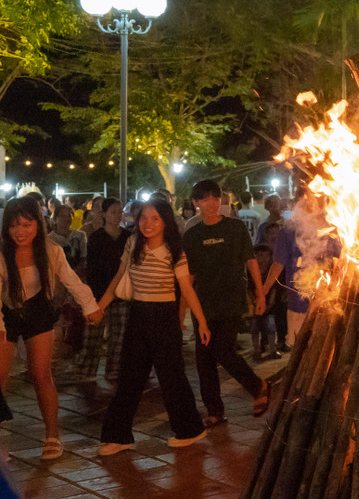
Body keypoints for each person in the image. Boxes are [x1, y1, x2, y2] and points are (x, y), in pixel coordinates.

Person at [94, 199, 210, 455]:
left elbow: (187, 289)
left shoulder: (174, 251)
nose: (148, 224)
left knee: (171, 377)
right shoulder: (133, 243)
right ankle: (118, 436)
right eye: (143, 218)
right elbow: (119, 277)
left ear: (165, 221)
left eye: (155, 218)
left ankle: (190, 429)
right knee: (129, 377)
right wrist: (100, 306)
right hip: (138, 314)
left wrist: (201, 321)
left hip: (164, 316)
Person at [0, 198, 103, 460]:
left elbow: (72, 280)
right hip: (5, 313)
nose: (20, 231)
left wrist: (90, 306)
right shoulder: (1, 253)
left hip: (38, 312)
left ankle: (52, 435)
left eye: (26, 224)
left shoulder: (51, 250)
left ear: (38, 224)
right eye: (13, 225)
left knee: (41, 374)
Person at [183, 180, 269, 428]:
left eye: (214, 198)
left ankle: (258, 386)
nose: (210, 204)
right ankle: (215, 410)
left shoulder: (235, 228)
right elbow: (188, 277)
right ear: (196, 203)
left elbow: (251, 261)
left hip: (231, 299)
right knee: (204, 357)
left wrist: (260, 294)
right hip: (204, 303)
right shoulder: (192, 235)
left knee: (223, 350)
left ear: (221, 200)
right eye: (204, 199)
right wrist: (183, 310)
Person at [260, 190, 341, 351]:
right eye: (305, 202)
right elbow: (278, 264)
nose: (310, 205)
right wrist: (264, 290)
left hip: (327, 299)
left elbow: (341, 261)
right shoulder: (288, 232)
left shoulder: (331, 229)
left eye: (314, 201)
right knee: (300, 345)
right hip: (298, 300)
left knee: (325, 345)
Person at [70, 197, 130, 383]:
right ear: (104, 214)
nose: (117, 215)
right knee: (93, 335)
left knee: (119, 337)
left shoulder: (127, 236)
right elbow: (92, 268)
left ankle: (114, 370)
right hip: (99, 292)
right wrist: (95, 296)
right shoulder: (96, 238)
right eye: (113, 212)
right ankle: (86, 370)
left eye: (120, 212)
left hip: (121, 294)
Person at [250, 244, 283, 359]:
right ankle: (256, 350)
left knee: (271, 328)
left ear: (270, 257)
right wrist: (253, 302)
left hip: (269, 306)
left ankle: (272, 350)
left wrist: (270, 304)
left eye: (265, 256)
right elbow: (249, 288)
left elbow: (274, 289)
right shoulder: (252, 271)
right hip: (255, 306)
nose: (262, 259)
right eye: (259, 256)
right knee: (254, 328)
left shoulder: (272, 270)